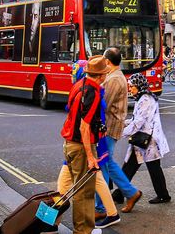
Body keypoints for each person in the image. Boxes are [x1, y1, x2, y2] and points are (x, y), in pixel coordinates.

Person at [61, 55, 109, 233]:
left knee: (73, 188)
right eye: (105, 73)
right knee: (84, 192)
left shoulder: (78, 85)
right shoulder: (93, 92)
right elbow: (84, 126)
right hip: (81, 147)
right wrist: (90, 156)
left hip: (69, 143)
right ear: (101, 75)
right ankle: (83, 230)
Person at [100, 48, 142, 213]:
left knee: (105, 162)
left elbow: (104, 104)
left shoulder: (114, 80)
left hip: (110, 126)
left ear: (108, 62)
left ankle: (126, 194)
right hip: (112, 125)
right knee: (105, 163)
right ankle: (127, 194)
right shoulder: (114, 77)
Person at [121, 73, 172, 205]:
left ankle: (163, 195)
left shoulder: (145, 100)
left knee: (152, 168)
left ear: (139, 86)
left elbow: (138, 122)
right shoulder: (142, 98)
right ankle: (120, 193)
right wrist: (124, 122)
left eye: (132, 86)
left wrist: (120, 133)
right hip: (143, 139)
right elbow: (135, 119)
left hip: (149, 140)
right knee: (130, 167)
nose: (130, 89)